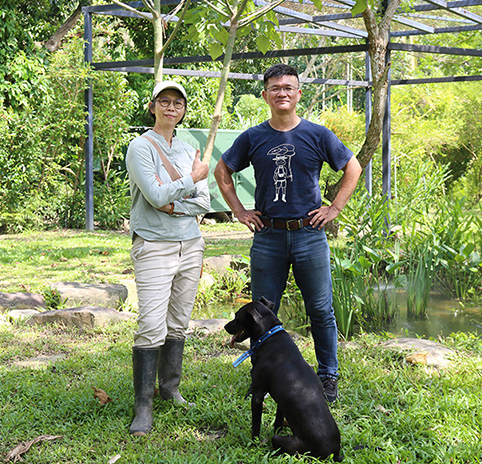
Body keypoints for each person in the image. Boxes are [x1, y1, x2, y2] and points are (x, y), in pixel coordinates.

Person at [214, 63, 362, 403]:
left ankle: (328, 376)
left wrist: (334, 208)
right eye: (275, 88)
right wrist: (238, 210)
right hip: (268, 236)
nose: (282, 92)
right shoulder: (253, 137)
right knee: (263, 312)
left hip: (309, 233)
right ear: (265, 95)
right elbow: (223, 170)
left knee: (321, 309)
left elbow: (352, 167)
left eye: (288, 87)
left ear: (298, 94)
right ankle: (263, 375)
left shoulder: (318, 134)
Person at [125, 80, 210, 436]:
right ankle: (142, 405)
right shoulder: (139, 147)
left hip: (191, 243)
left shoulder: (188, 148)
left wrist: (173, 201)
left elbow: (204, 203)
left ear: (184, 109)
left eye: (178, 103)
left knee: (178, 323)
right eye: (164, 101)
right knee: (151, 324)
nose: (171, 108)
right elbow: (155, 194)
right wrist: (190, 181)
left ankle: (170, 388)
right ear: (152, 106)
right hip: (154, 245)